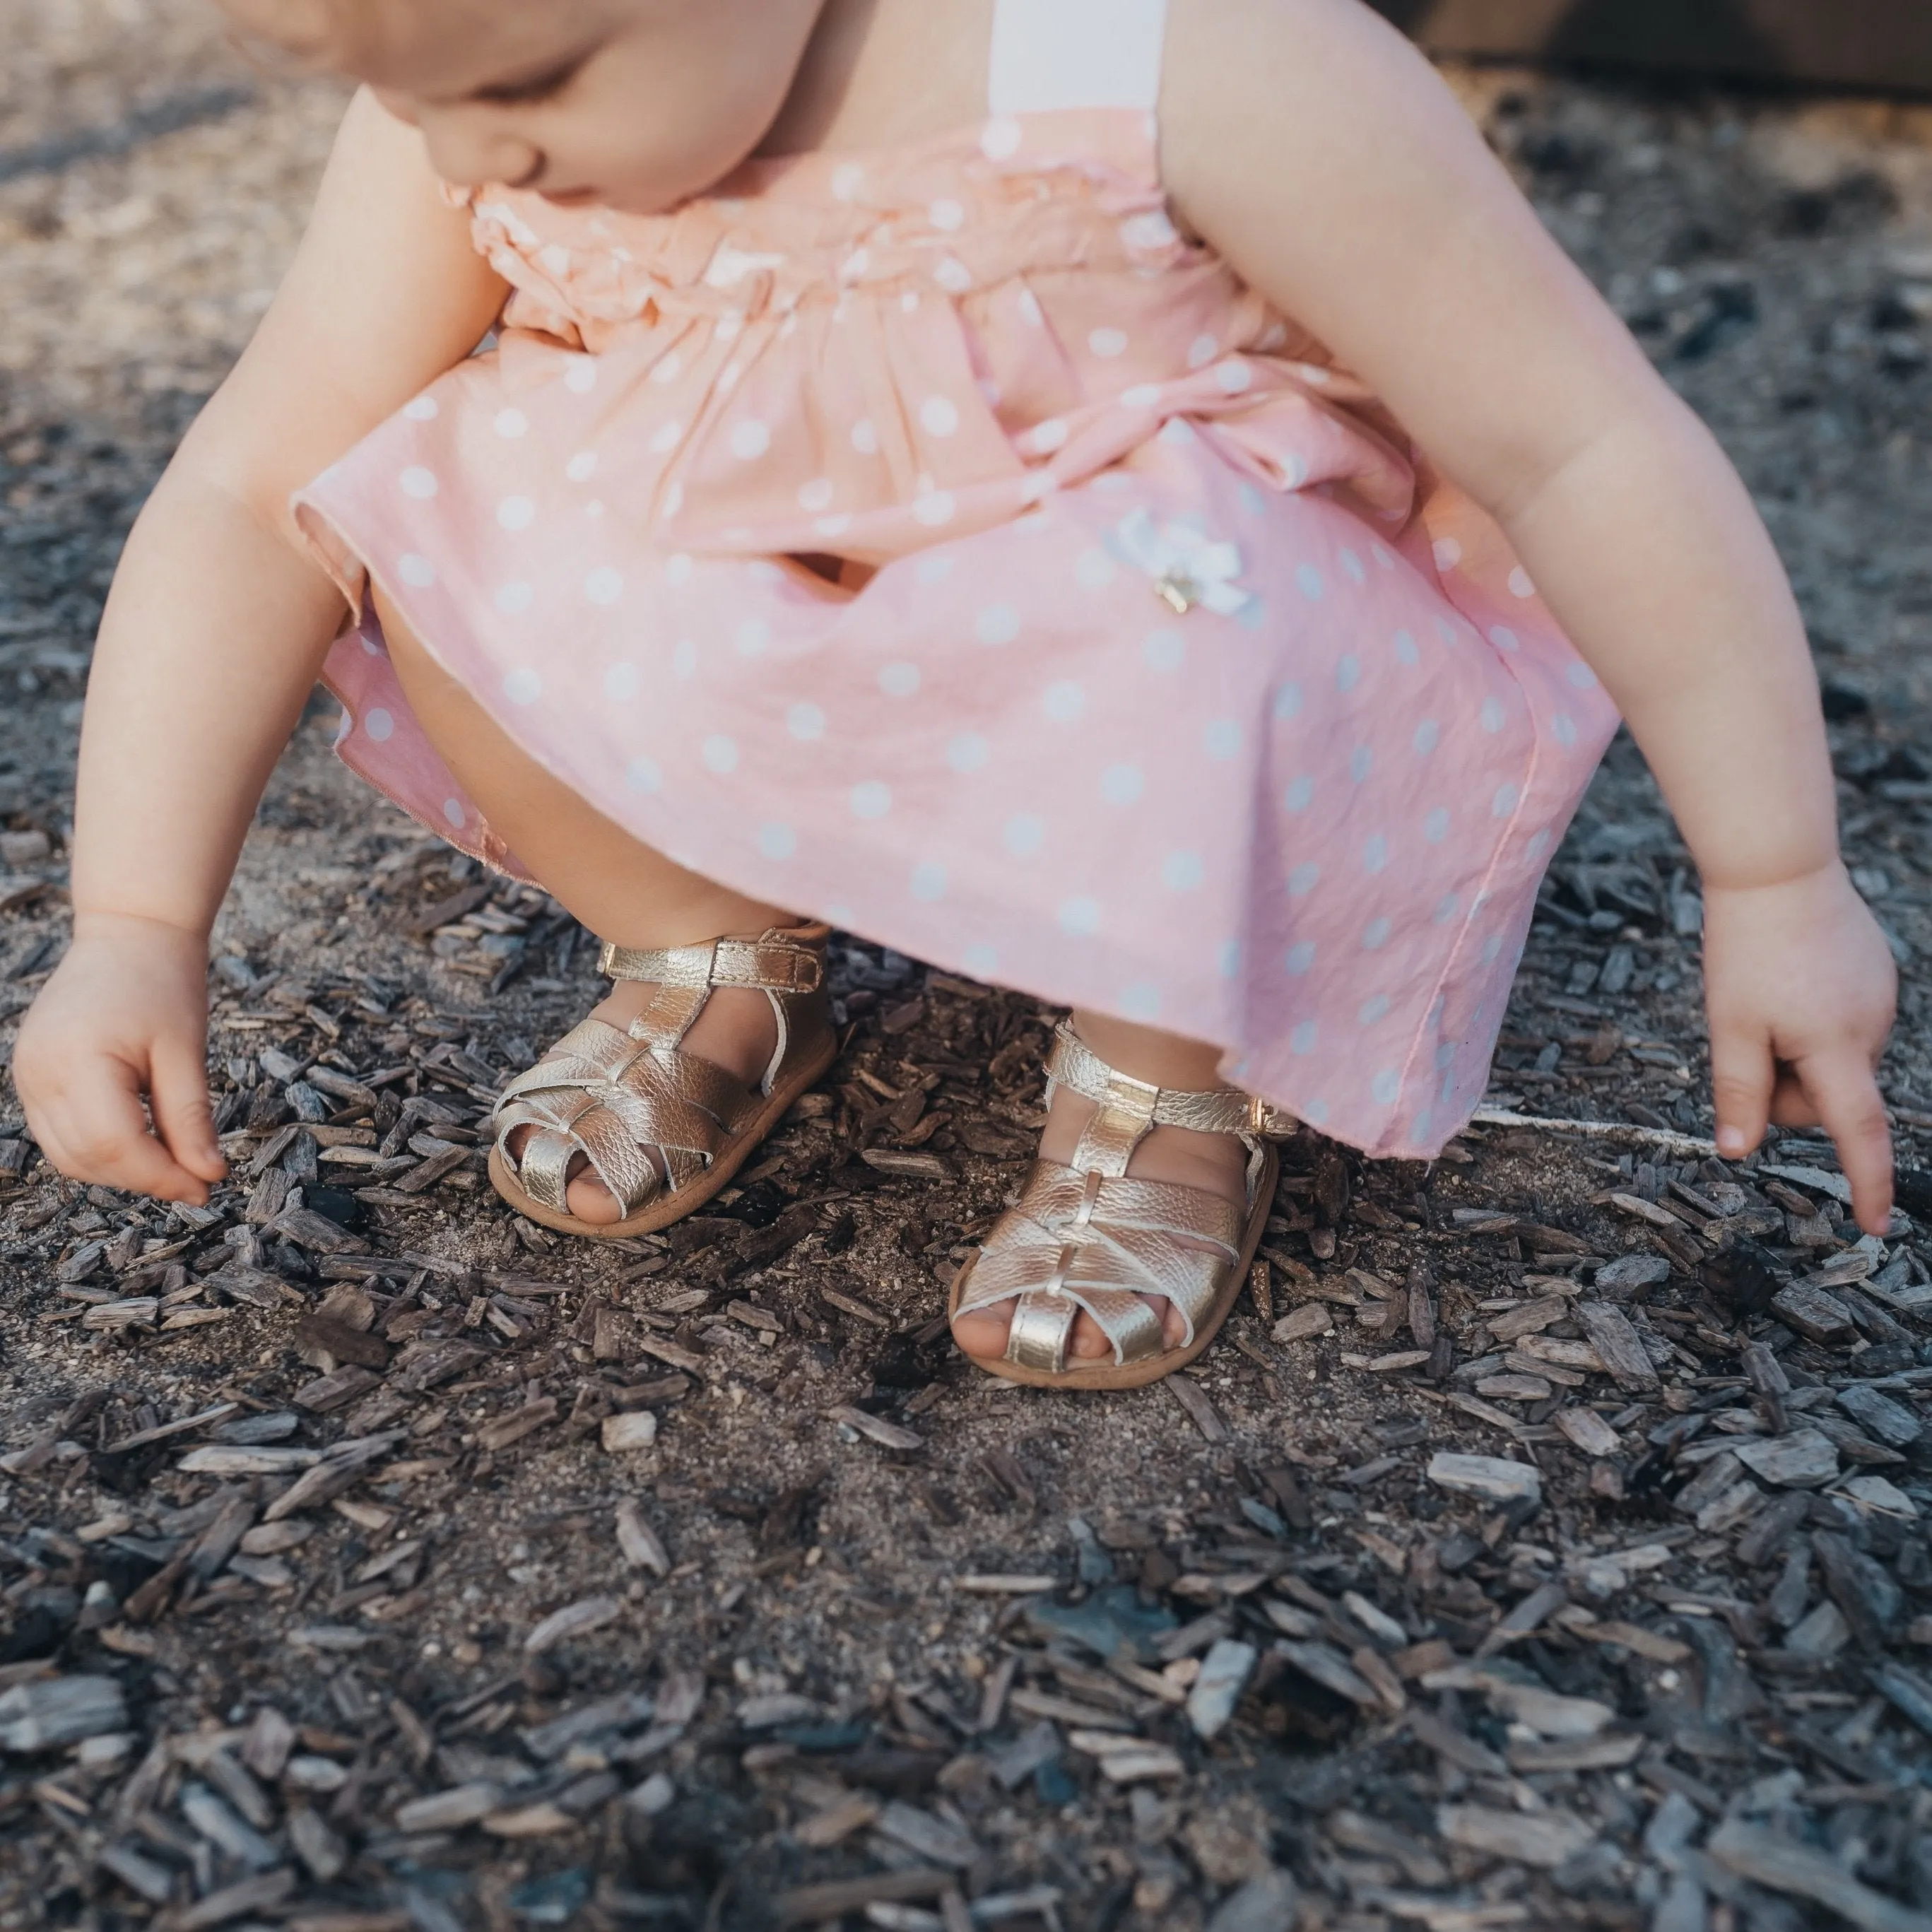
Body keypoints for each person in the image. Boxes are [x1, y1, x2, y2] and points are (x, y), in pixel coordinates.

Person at [14, 0, 1898, 1393]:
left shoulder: (1176, 55)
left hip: (1134, 620)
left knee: (1196, 601)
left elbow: (1577, 443)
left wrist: (1772, 873)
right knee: (424, 494)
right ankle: (707, 951)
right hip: (790, 609)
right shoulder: (470, 100)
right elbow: (255, 486)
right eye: (398, 95)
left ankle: (1165, 1081)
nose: (470, 158)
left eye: (518, 85)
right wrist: (135, 919)